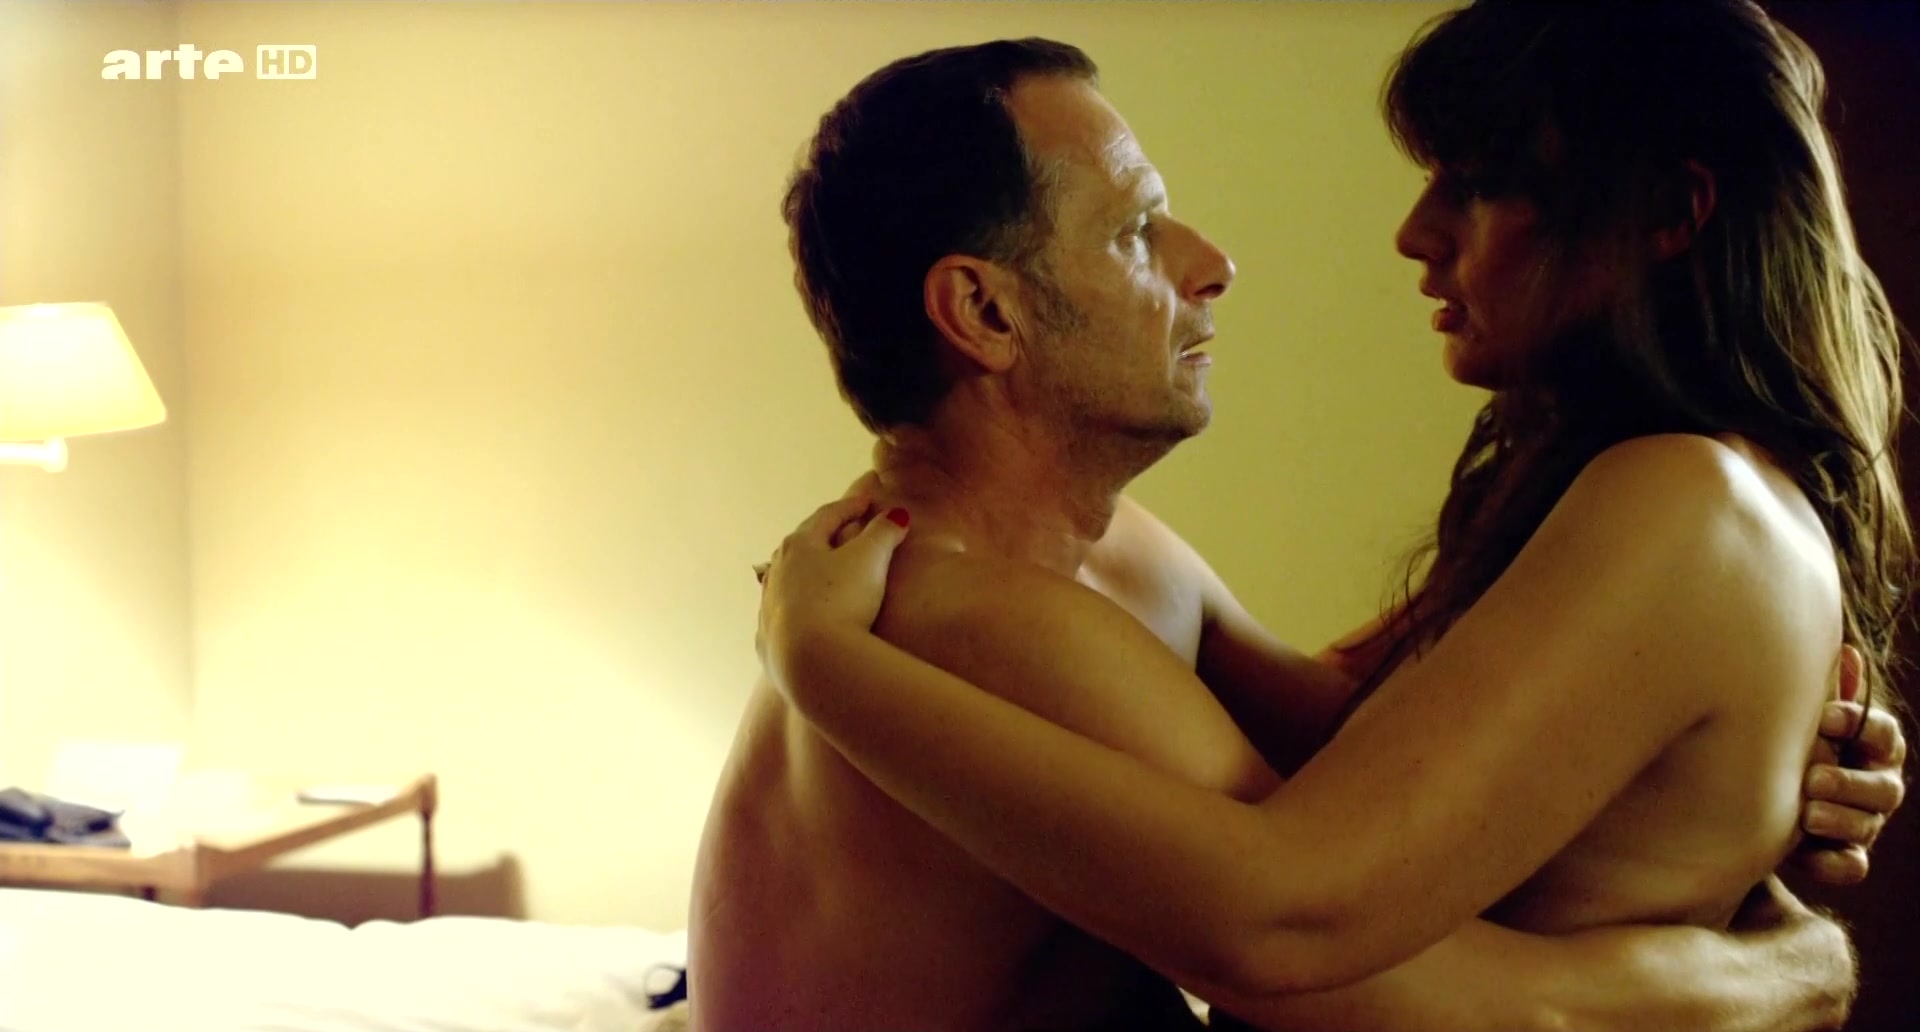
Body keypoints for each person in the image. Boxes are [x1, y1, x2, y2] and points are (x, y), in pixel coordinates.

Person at [705, 22, 1908, 1032]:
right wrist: (1789, 959)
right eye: (1136, 232)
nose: (1215, 264)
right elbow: (1305, 924)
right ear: (982, 311)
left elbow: (1365, 772)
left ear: (1672, 214)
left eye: (1480, 181)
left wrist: (1721, 769)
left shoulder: (1117, 559)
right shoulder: (983, 621)